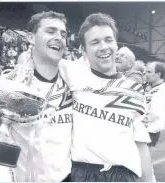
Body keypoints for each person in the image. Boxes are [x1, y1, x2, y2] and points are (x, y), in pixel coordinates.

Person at [59, 13, 153, 182]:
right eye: (95, 42)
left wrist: (150, 180)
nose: (104, 46)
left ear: (116, 45)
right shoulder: (71, 74)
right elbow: (36, 58)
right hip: (81, 174)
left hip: (122, 175)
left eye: (108, 40)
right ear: (83, 50)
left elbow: (140, 142)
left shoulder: (134, 89)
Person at [3, 11, 73, 182]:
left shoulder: (74, 80)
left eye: (63, 34)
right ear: (31, 38)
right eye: (50, 31)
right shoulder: (9, 85)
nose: (59, 37)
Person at [143, 61, 165, 147]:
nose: (145, 74)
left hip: (150, 129)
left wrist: (139, 119)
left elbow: (155, 113)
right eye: (145, 72)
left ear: (158, 74)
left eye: (149, 72)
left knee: (143, 157)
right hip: (145, 128)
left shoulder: (162, 90)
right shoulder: (152, 88)